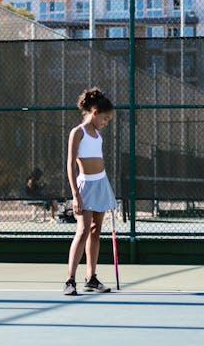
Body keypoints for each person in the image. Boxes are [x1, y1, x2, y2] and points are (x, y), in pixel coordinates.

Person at [64, 87, 117, 296]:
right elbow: (70, 164)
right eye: (105, 119)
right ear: (94, 112)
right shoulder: (78, 132)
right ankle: (69, 280)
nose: (106, 123)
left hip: (101, 183)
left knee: (96, 231)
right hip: (85, 186)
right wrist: (75, 194)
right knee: (83, 230)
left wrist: (105, 186)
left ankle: (91, 278)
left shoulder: (97, 134)